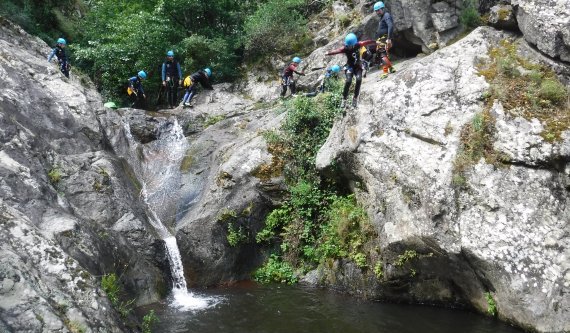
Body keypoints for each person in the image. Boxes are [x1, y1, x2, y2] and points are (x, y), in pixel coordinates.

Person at [325, 33, 376, 108]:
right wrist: (328, 53)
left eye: (351, 45)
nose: (349, 47)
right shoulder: (345, 49)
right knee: (348, 81)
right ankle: (344, 99)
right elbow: (337, 51)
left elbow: (366, 42)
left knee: (359, 80)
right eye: (348, 45)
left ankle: (355, 98)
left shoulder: (358, 44)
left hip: (358, 67)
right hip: (350, 67)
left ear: (354, 43)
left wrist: (375, 41)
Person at [374, 1, 395, 78]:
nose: (377, 12)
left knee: (382, 55)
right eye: (376, 11)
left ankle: (385, 72)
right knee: (383, 54)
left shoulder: (386, 15)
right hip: (382, 38)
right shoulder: (382, 17)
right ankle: (391, 68)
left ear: (383, 8)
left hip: (385, 38)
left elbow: (390, 26)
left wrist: (389, 39)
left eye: (378, 10)